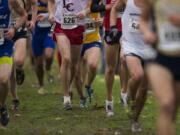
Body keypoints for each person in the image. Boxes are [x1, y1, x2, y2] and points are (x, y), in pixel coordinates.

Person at [110, 0, 156, 131]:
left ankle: (135, 119)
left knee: (144, 88)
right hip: (130, 45)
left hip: (148, 47)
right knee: (137, 75)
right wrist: (113, 27)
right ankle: (129, 94)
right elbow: (114, 9)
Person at [140, 0, 180, 135]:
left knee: (172, 112)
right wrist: (147, 33)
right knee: (166, 104)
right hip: (159, 57)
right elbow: (143, 20)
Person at [48, 0, 88, 110]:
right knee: (66, 59)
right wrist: (51, 13)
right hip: (60, 25)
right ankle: (66, 97)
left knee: (74, 65)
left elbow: (91, 5)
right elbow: (51, 2)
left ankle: (69, 86)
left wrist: (85, 11)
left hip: (78, 26)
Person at [91, 0, 127, 116]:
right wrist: (106, 6)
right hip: (110, 29)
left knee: (125, 60)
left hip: (127, 29)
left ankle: (124, 92)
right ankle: (109, 100)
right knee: (110, 68)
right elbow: (93, 7)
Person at [0, 0, 27, 126]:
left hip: (4, 45)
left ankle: (2, 106)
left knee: (4, 79)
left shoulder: (10, 1)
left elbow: (23, 15)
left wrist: (14, 28)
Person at [10, 0, 37, 116]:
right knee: (8, 69)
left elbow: (35, 4)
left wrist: (33, 21)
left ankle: (19, 69)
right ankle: (15, 98)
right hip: (4, 33)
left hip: (20, 29)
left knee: (19, 61)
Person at [81, 1, 102, 104]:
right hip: (75, 40)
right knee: (77, 73)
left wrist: (101, 20)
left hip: (93, 39)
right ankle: (77, 96)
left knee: (93, 65)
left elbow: (108, 9)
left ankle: (88, 85)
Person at [32, 0, 55, 95]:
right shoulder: (34, 1)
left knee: (49, 55)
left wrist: (47, 16)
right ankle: (41, 85)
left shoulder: (52, 1)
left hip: (49, 32)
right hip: (37, 33)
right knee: (39, 62)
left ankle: (48, 68)